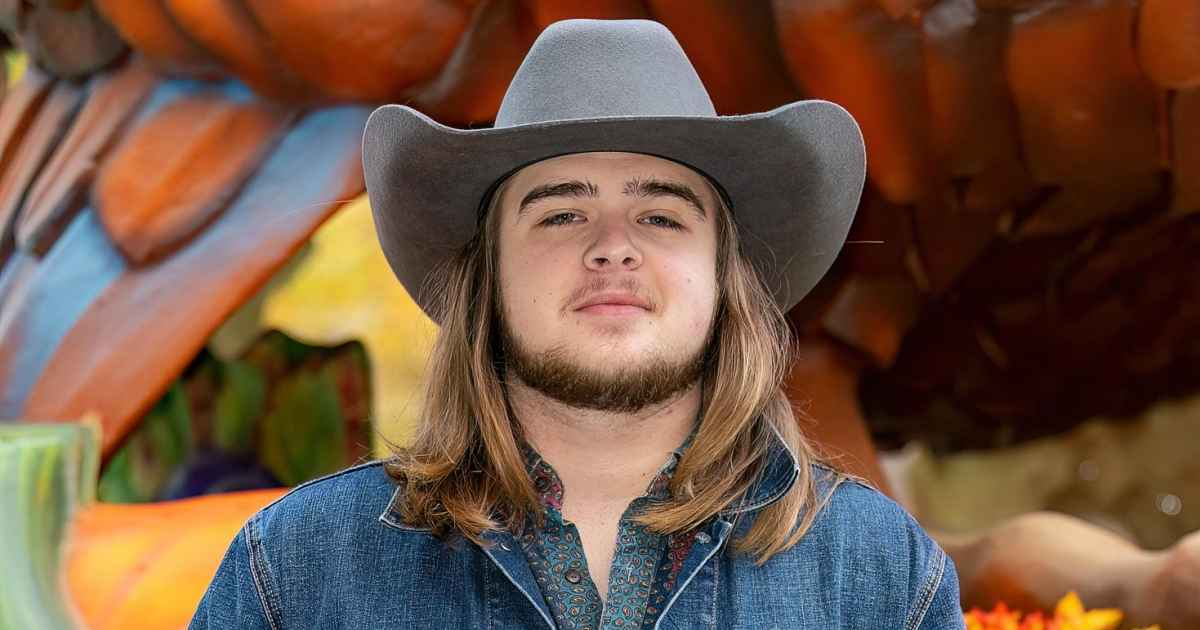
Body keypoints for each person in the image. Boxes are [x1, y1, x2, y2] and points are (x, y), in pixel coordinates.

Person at [190, 18, 964, 629]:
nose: (613, 248)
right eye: (561, 213)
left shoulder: (882, 576)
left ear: (726, 278)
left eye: (661, 216)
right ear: (488, 276)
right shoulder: (295, 571)